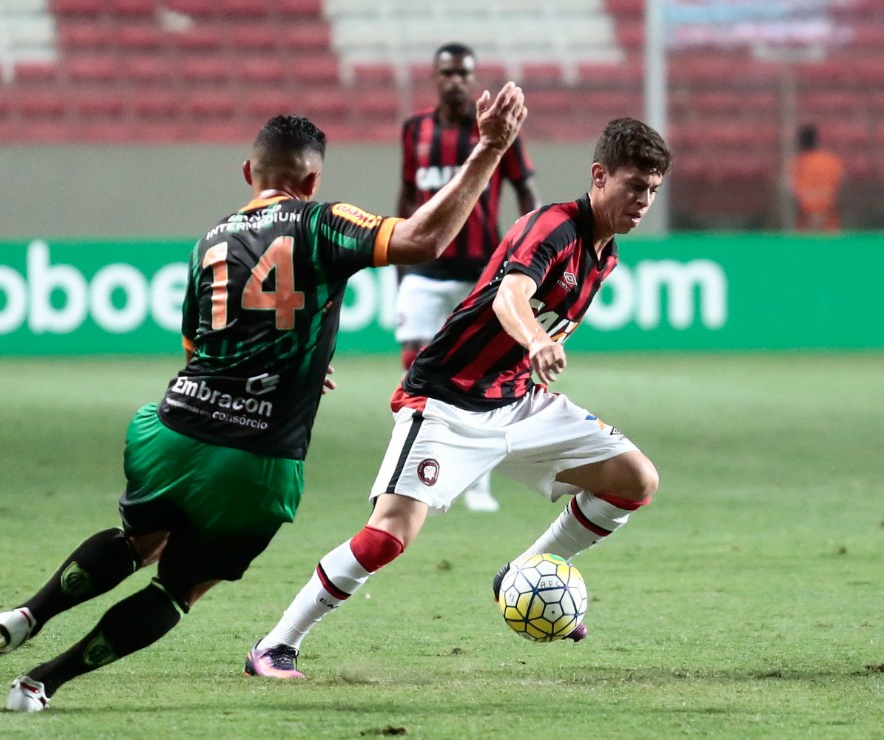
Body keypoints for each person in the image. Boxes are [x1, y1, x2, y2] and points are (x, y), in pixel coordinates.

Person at [0, 86, 529, 712]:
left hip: (171, 429)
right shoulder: (321, 220)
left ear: (249, 172)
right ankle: (41, 682)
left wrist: (287, 362)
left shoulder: (211, 239)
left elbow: (197, 343)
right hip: (258, 456)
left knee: (136, 542)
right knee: (178, 588)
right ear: (311, 180)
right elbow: (423, 239)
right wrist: (489, 149)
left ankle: (27, 614)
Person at [245, 117, 671, 679]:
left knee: (635, 480)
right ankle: (276, 645)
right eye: (634, 186)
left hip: (518, 402)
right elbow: (509, 297)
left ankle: (520, 572)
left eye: (653, 190)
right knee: (387, 536)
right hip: (446, 401)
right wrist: (536, 340)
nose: (643, 201)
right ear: (599, 176)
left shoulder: (604, 254)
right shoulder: (552, 227)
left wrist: (531, 361)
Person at [396, 42, 540, 513]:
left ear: (473, 78)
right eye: (448, 73)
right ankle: (417, 471)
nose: (456, 81)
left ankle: (477, 482)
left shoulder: (497, 133)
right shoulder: (414, 130)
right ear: (435, 77)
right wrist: (398, 264)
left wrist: (530, 253)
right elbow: (406, 195)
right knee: (416, 372)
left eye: (464, 73)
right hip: (423, 269)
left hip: (480, 271)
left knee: (479, 376)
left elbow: (527, 193)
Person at [790, 123, 843, 233]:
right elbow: (841, 191)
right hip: (828, 222)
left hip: (806, 224)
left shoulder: (797, 164)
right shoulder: (831, 161)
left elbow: (793, 196)